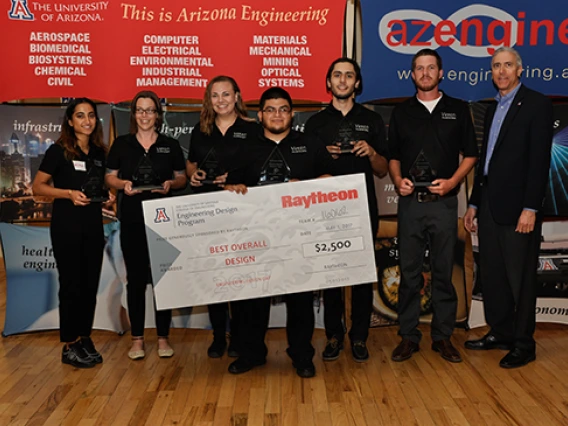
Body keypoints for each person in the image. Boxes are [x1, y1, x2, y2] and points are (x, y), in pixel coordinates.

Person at [225, 87, 335, 378]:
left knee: (300, 299)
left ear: (292, 113)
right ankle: (251, 353)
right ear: (259, 115)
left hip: (298, 234)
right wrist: (234, 189)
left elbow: (330, 178)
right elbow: (229, 185)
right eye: (270, 109)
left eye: (283, 109)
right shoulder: (246, 146)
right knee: (252, 299)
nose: (277, 115)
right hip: (257, 235)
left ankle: (301, 355)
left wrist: (302, 186)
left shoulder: (310, 143)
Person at [464, 47, 553, 368]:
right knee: (494, 275)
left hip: (519, 210)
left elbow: (539, 161)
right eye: (496, 66)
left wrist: (531, 207)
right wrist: (474, 203)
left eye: (507, 65)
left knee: (520, 278)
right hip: (488, 206)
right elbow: (485, 162)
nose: (501, 71)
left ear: (520, 70)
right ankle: (500, 332)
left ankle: (524, 343)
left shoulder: (538, 104)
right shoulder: (491, 110)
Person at [388, 49, 478, 363]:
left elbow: (470, 155)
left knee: (443, 273)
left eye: (431, 68)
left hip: (443, 203)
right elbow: (393, 157)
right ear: (412, 75)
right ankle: (408, 337)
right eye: (419, 68)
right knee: (409, 274)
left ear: (441, 73)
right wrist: (398, 180)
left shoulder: (457, 109)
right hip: (411, 205)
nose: (425, 73)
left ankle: (442, 337)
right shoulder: (401, 113)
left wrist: (453, 182)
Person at [304, 57, 389, 362]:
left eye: (348, 76)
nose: (342, 80)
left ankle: (360, 336)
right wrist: (319, 158)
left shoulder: (372, 119)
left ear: (357, 83)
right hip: (326, 212)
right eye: (337, 75)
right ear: (328, 82)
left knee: (363, 277)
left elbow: (381, 170)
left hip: (363, 208)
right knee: (331, 278)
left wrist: (373, 152)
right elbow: (305, 173)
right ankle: (333, 335)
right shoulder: (315, 123)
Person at [105, 90, 187, 360]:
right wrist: (123, 185)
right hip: (131, 217)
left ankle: (163, 338)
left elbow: (181, 179)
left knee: (164, 280)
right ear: (134, 114)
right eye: (140, 110)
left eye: (149, 110)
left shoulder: (170, 145)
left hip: (163, 218)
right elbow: (110, 178)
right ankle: (138, 339)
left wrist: (170, 185)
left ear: (157, 115)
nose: (144, 115)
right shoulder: (121, 144)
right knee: (136, 280)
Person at [32, 98, 113, 368]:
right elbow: (39, 187)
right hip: (66, 226)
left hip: (92, 225)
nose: (87, 121)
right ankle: (69, 344)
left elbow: (98, 186)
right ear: (70, 121)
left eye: (91, 115)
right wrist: (67, 194)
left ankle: (84, 337)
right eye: (80, 116)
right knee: (71, 286)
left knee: (90, 285)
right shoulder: (59, 151)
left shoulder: (100, 152)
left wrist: (108, 195)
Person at [187, 76, 259, 358]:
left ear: (237, 96)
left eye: (226, 94)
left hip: (241, 210)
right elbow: (192, 164)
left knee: (239, 276)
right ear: (209, 99)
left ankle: (240, 337)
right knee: (214, 276)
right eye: (215, 95)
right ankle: (218, 335)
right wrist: (195, 176)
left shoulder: (251, 129)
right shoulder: (200, 129)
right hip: (208, 209)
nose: (220, 100)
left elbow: (258, 169)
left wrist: (238, 179)